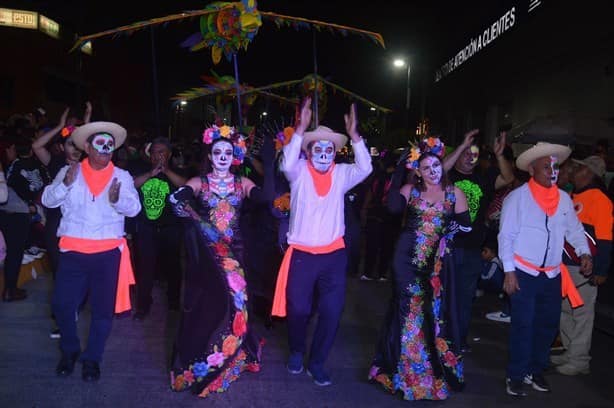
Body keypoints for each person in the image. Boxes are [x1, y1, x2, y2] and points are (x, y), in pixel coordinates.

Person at [271, 97, 373, 386]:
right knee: (299, 309)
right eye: (319, 147)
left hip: (333, 257)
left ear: (335, 153)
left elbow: (365, 169)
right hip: (302, 255)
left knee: (331, 311)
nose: (325, 152)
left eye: (330, 148)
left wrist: (355, 137)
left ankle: (316, 362)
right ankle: (297, 350)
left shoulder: (342, 174)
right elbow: (287, 162)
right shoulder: (299, 172)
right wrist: (300, 129)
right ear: (309, 151)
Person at [167, 123, 274, 397]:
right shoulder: (199, 182)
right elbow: (182, 196)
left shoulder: (243, 183)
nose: (223, 157)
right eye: (218, 152)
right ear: (210, 155)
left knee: (237, 304)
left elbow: (266, 198)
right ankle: (206, 356)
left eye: (228, 152)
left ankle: (234, 353)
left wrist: (269, 160)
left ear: (235, 155)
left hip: (236, 254)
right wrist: (178, 200)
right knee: (210, 305)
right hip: (207, 256)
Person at [368, 137, 471, 400]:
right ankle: (408, 372)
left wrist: (448, 235)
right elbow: (391, 208)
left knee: (430, 313)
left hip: (436, 265)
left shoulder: (454, 193)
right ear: (419, 172)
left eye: (436, 165)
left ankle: (427, 368)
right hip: (405, 260)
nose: (433, 171)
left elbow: (467, 227)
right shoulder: (409, 191)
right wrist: (401, 170)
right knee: (409, 308)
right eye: (426, 168)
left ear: (442, 165)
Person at [42, 121, 141, 382]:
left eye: (110, 144)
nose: (106, 149)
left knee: (102, 311)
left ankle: (92, 359)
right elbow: (47, 200)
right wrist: (64, 184)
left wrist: (117, 199)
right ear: (87, 146)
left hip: (107, 254)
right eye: (100, 143)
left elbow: (134, 210)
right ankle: (70, 350)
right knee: (62, 305)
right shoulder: (68, 170)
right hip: (73, 252)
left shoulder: (122, 176)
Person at [499, 142, 593, 397]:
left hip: (552, 274)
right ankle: (516, 374)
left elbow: (573, 229)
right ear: (531, 169)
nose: (552, 170)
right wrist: (509, 271)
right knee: (523, 325)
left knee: (548, 325)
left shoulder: (563, 198)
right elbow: (506, 236)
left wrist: (584, 251)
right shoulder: (517, 198)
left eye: (554, 166)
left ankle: (535, 369)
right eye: (545, 166)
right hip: (523, 273)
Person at [443, 130, 515, 351]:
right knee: (442, 295)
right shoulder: (447, 177)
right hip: (446, 248)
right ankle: (439, 340)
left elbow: (509, 178)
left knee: (465, 298)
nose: (469, 157)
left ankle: (458, 341)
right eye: (466, 153)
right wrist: (462, 144)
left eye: (474, 154)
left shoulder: (483, 179)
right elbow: (440, 169)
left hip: (473, 250)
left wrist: (499, 154)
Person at [552, 155, 613, 375]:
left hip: (583, 268)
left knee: (582, 314)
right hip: (566, 266)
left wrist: (600, 269)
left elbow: (606, 239)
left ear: (588, 172)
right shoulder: (574, 195)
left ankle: (579, 360)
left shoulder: (600, 199)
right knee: (565, 311)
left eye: (577, 168)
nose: (571, 171)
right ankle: (570, 352)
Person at [131, 137, 187, 319]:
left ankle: (173, 301)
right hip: (147, 227)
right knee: (145, 267)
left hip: (171, 227)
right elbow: (130, 184)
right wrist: (150, 174)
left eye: (161, 151)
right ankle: (143, 305)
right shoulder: (141, 169)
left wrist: (167, 171)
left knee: (173, 266)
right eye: (154, 152)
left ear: (169, 154)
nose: (157, 155)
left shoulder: (177, 170)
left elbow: (186, 186)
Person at [479, 238, 510, 323]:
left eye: (485, 251)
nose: (482, 254)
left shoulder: (495, 263)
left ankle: (506, 313)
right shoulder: (491, 262)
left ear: (492, 253)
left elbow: (487, 277)